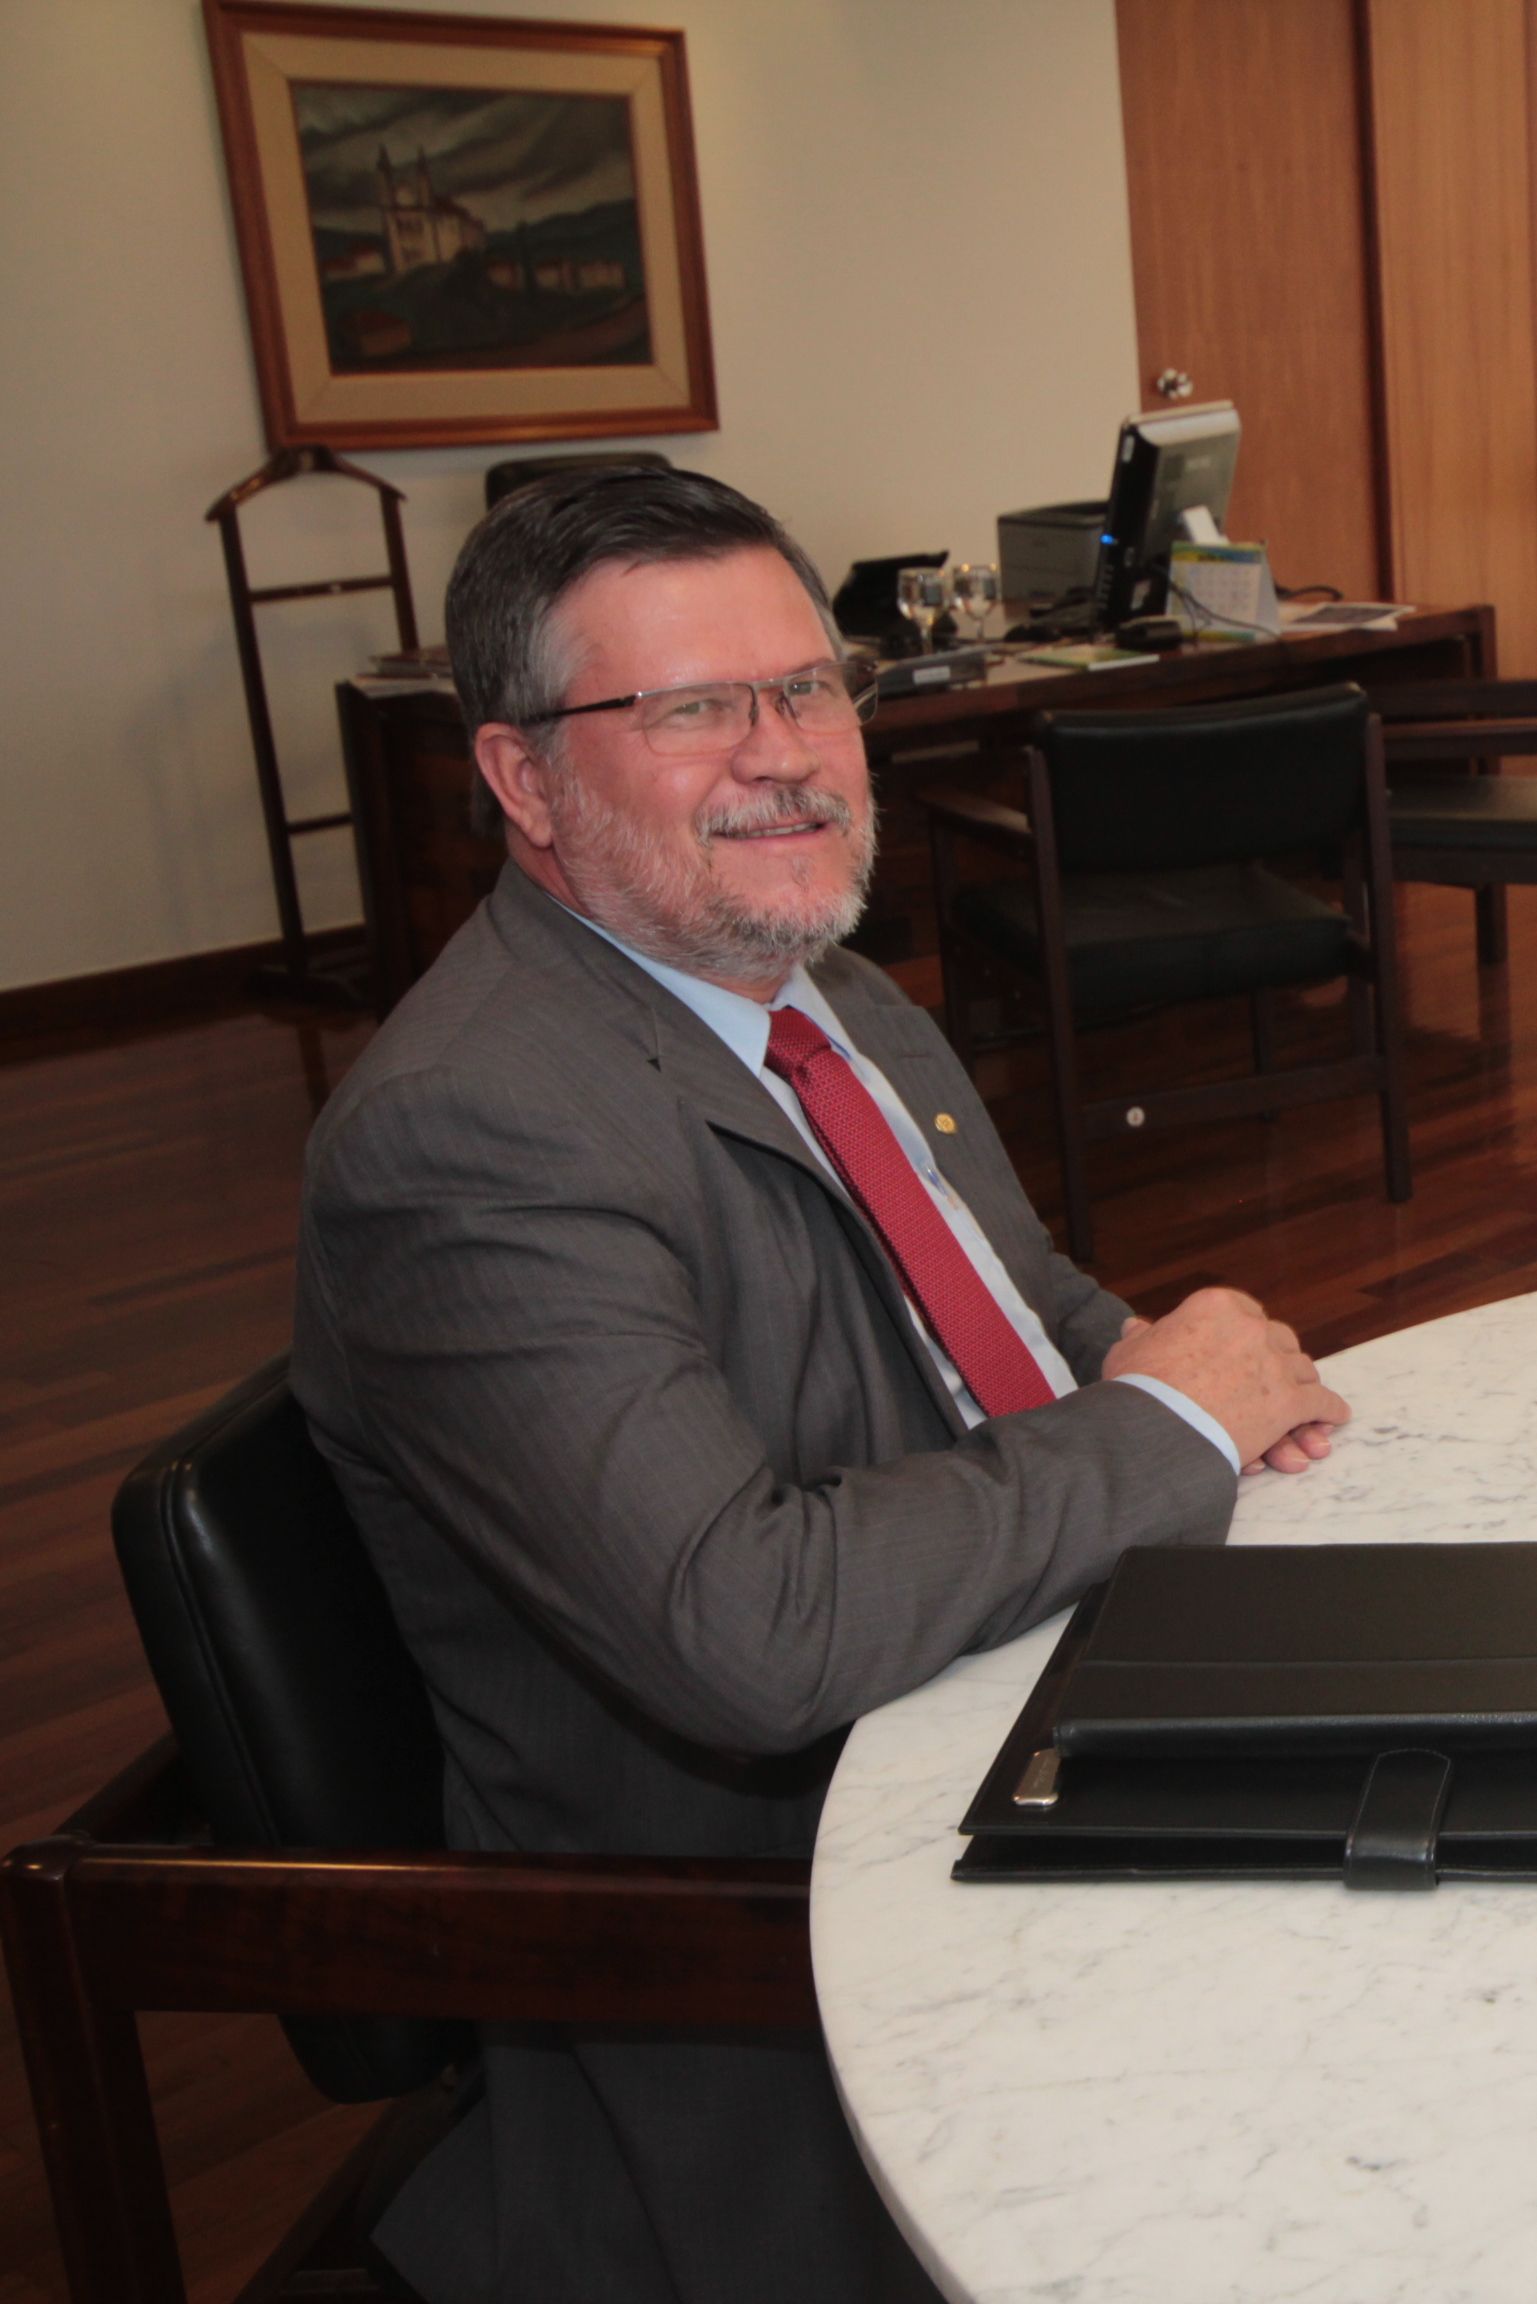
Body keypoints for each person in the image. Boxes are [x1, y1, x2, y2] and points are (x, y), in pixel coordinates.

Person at [291, 466, 1347, 2302]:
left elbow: (1012, 1295)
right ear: (524, 778)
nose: (783, 755)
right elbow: (753, 1631)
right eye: (693, 707)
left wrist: (1145, 1355)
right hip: (787, 1928)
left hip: (1006, 1691)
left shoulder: (823, 988)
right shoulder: (468, 1134)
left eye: (806, 688)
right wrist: (1169, 1422)